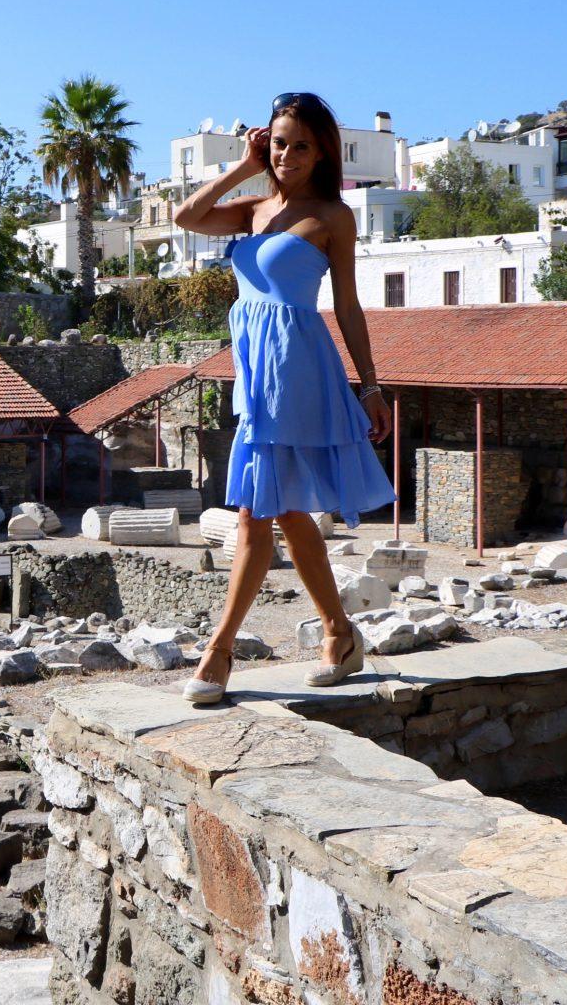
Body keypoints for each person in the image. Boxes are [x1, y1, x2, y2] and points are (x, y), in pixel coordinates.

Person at [172, 92, 395, 705]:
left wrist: (370, 385)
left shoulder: (332, 216)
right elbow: (186, 217)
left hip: (299, 368)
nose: (288, 154)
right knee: (290, 515)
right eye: (278, 142)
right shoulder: (252, 209)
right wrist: (245, 168)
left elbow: (346, 306)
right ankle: (339, 635)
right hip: (255, 371)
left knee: (254, 510)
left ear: (322, 149)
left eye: (300, 144)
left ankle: (218, 653)